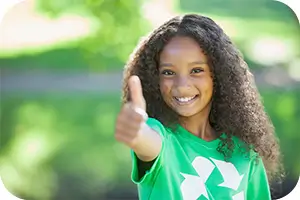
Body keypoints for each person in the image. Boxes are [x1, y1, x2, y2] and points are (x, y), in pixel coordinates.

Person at [115, 14, 283, 200]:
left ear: (218, 75)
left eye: (196, 71)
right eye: (168, 72)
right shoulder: (163, 140)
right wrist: (137, 131)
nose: (182, 85)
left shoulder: (246, 153)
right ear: (155, 79)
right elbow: (147, 142)